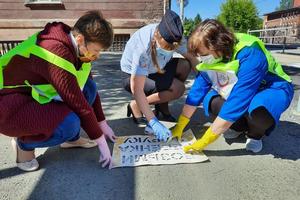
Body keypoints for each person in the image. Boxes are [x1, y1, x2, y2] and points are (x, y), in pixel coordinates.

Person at [0, 10, 116, 171]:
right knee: (70, 124)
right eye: (96, 50)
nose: (97, 55)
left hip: (33, 96)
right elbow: (78, 103)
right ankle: (24, 144)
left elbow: (88, 87)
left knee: (89, 88)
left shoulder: (78, 48)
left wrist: (102, 124)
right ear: (80, 39)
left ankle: (71, 140)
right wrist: (101, 142)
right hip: (9, 105)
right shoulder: (55, 52)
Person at [171, 19, 294, 153]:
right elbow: (197, 92)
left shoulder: (250, 53)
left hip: (270, 86)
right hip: (237, 87)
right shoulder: (216, 54)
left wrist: (205, 140)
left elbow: (239, 99)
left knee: (259, 108)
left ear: (217, 44)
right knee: (212, 101)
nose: (201, 58)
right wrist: (180, 124)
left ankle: (255, 135)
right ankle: (237, 128)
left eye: (204, 54)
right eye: (199, 55)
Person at [120, 10, 199, 142]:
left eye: (172, 48)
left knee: (185, 65)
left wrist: (205, 79)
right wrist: (153, 121)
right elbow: (137, 89)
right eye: (166, 47)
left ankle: (162, 106)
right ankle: (136, 105)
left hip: (156, 69)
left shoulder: (176, 37)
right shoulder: (143, 48)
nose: (169, 50)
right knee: (178, 88)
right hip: (132, 77)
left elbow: (192, 58)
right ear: (157, 35)